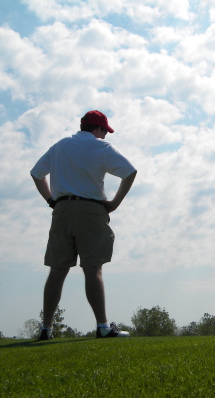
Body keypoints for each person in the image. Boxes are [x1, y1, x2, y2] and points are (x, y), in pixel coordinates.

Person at [30, 110, 137, 339]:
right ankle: (103, 327)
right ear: (97, 129)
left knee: (57, 271)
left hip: (61, 210)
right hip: (91, 211)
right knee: (93, 269)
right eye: (104, 132)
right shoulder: (102, 148)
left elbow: (37, 174)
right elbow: (130, 172)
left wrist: (51, 200)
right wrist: (114, 204)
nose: (104, 137)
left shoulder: (60, 146)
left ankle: (46, 329)